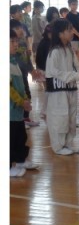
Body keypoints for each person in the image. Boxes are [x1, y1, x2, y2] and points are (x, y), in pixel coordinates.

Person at [45, 19, 79, 156]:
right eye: (69, 30)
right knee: (59, 118)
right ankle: (58, 146)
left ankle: (68, 143)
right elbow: (54, 72)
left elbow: (76, 66)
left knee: (71, 118)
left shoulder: (69, 49)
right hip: (58, 91)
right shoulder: (54, 52)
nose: (72, 32)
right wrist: (75, 75)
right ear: (60, 33)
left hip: (70, 88)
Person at [10, 29, 36, 177]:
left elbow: (21, 85)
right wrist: (21, 101)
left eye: (16, 41)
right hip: (10, 111)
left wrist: (25, 99)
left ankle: (20, 160)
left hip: (18, 111)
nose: (16, 44)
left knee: (20, 136)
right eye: (12, 41)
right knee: (9, 138)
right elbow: (9, 89)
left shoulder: (14, 62)